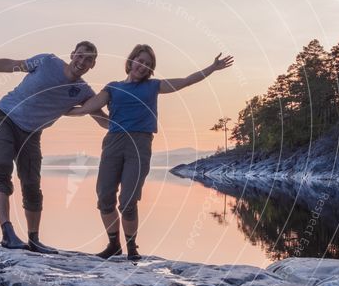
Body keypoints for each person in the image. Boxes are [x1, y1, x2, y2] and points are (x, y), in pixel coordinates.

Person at [71, 44, 234, 260]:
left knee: (128, 201)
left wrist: (212, 68)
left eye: (148, 65)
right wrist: (49, 109)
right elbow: (86, 108)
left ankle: (132, 249)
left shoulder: (153, 87)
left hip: (139, 144)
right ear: (131, 61)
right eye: (140, 61)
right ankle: (113, 245)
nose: (143, 66)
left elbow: (185, 81)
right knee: (105, 197)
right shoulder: (113, 88)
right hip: (113, 143)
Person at [0, 42, 105, 253]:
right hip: (4, 117)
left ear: (93, 64)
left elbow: (101, 118)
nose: (82, 61)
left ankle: (34, 240)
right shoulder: (47, 61)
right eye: (80, 55)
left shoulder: (83, 91)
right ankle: (8, 234)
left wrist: (131, 126)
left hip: (31, 133)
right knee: (1, 174)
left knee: (32, 184)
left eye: (88, 59)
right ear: (72, 54)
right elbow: (12, 65)